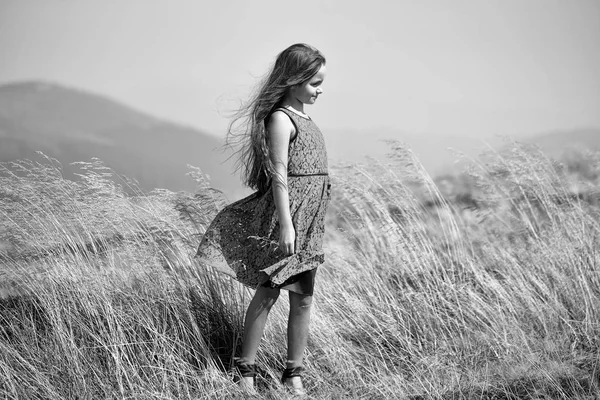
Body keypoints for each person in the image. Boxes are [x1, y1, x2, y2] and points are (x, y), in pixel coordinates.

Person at [195, 43, 330, 396]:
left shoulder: (304, 117)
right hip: (289, 219)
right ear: (294, 80)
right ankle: (245, 372)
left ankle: (293, 373)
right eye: (314, 82)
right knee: (268, 292)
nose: (320, 90)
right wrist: (287, 224)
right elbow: (280, 174)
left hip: (310, 221)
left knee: (303, 297)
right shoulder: (281, 119)